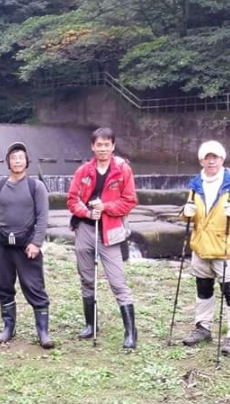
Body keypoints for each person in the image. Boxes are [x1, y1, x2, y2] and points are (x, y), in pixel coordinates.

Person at [66, 127, 139, 349]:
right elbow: (72, 199)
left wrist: (105, 207)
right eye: (99, 145)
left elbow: (130, 201)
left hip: (111, 230)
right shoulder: (83, 171)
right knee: (87, 279)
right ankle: (91, 324)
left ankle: (130, 331)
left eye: (107, 145)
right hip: (85, 229)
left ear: (113, 146)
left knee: (117, 282)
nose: (103, 149)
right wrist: (87, 212)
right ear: (92, 146)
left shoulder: (122, 170)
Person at [180, 140, 230, 356]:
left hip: (224, 246)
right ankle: (203, 327)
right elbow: (187, 215)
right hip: (201, 246)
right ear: (201, 160)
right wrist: (186, 211)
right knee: (203, 288)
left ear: (222, 159)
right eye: (207, 157)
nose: (211, 161)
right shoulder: (196, 184)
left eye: (215, 157)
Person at [0, 141, 54, 349]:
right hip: (3, 244)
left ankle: (43, 332)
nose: (17, 161)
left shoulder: (36, 187)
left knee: (34, 287)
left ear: (26, 162)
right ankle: (8, 328)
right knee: (4, 286)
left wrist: (36, 243)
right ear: (8, 162)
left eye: (20, 158)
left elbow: (42, 218)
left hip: (27, 246)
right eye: (13, 158)